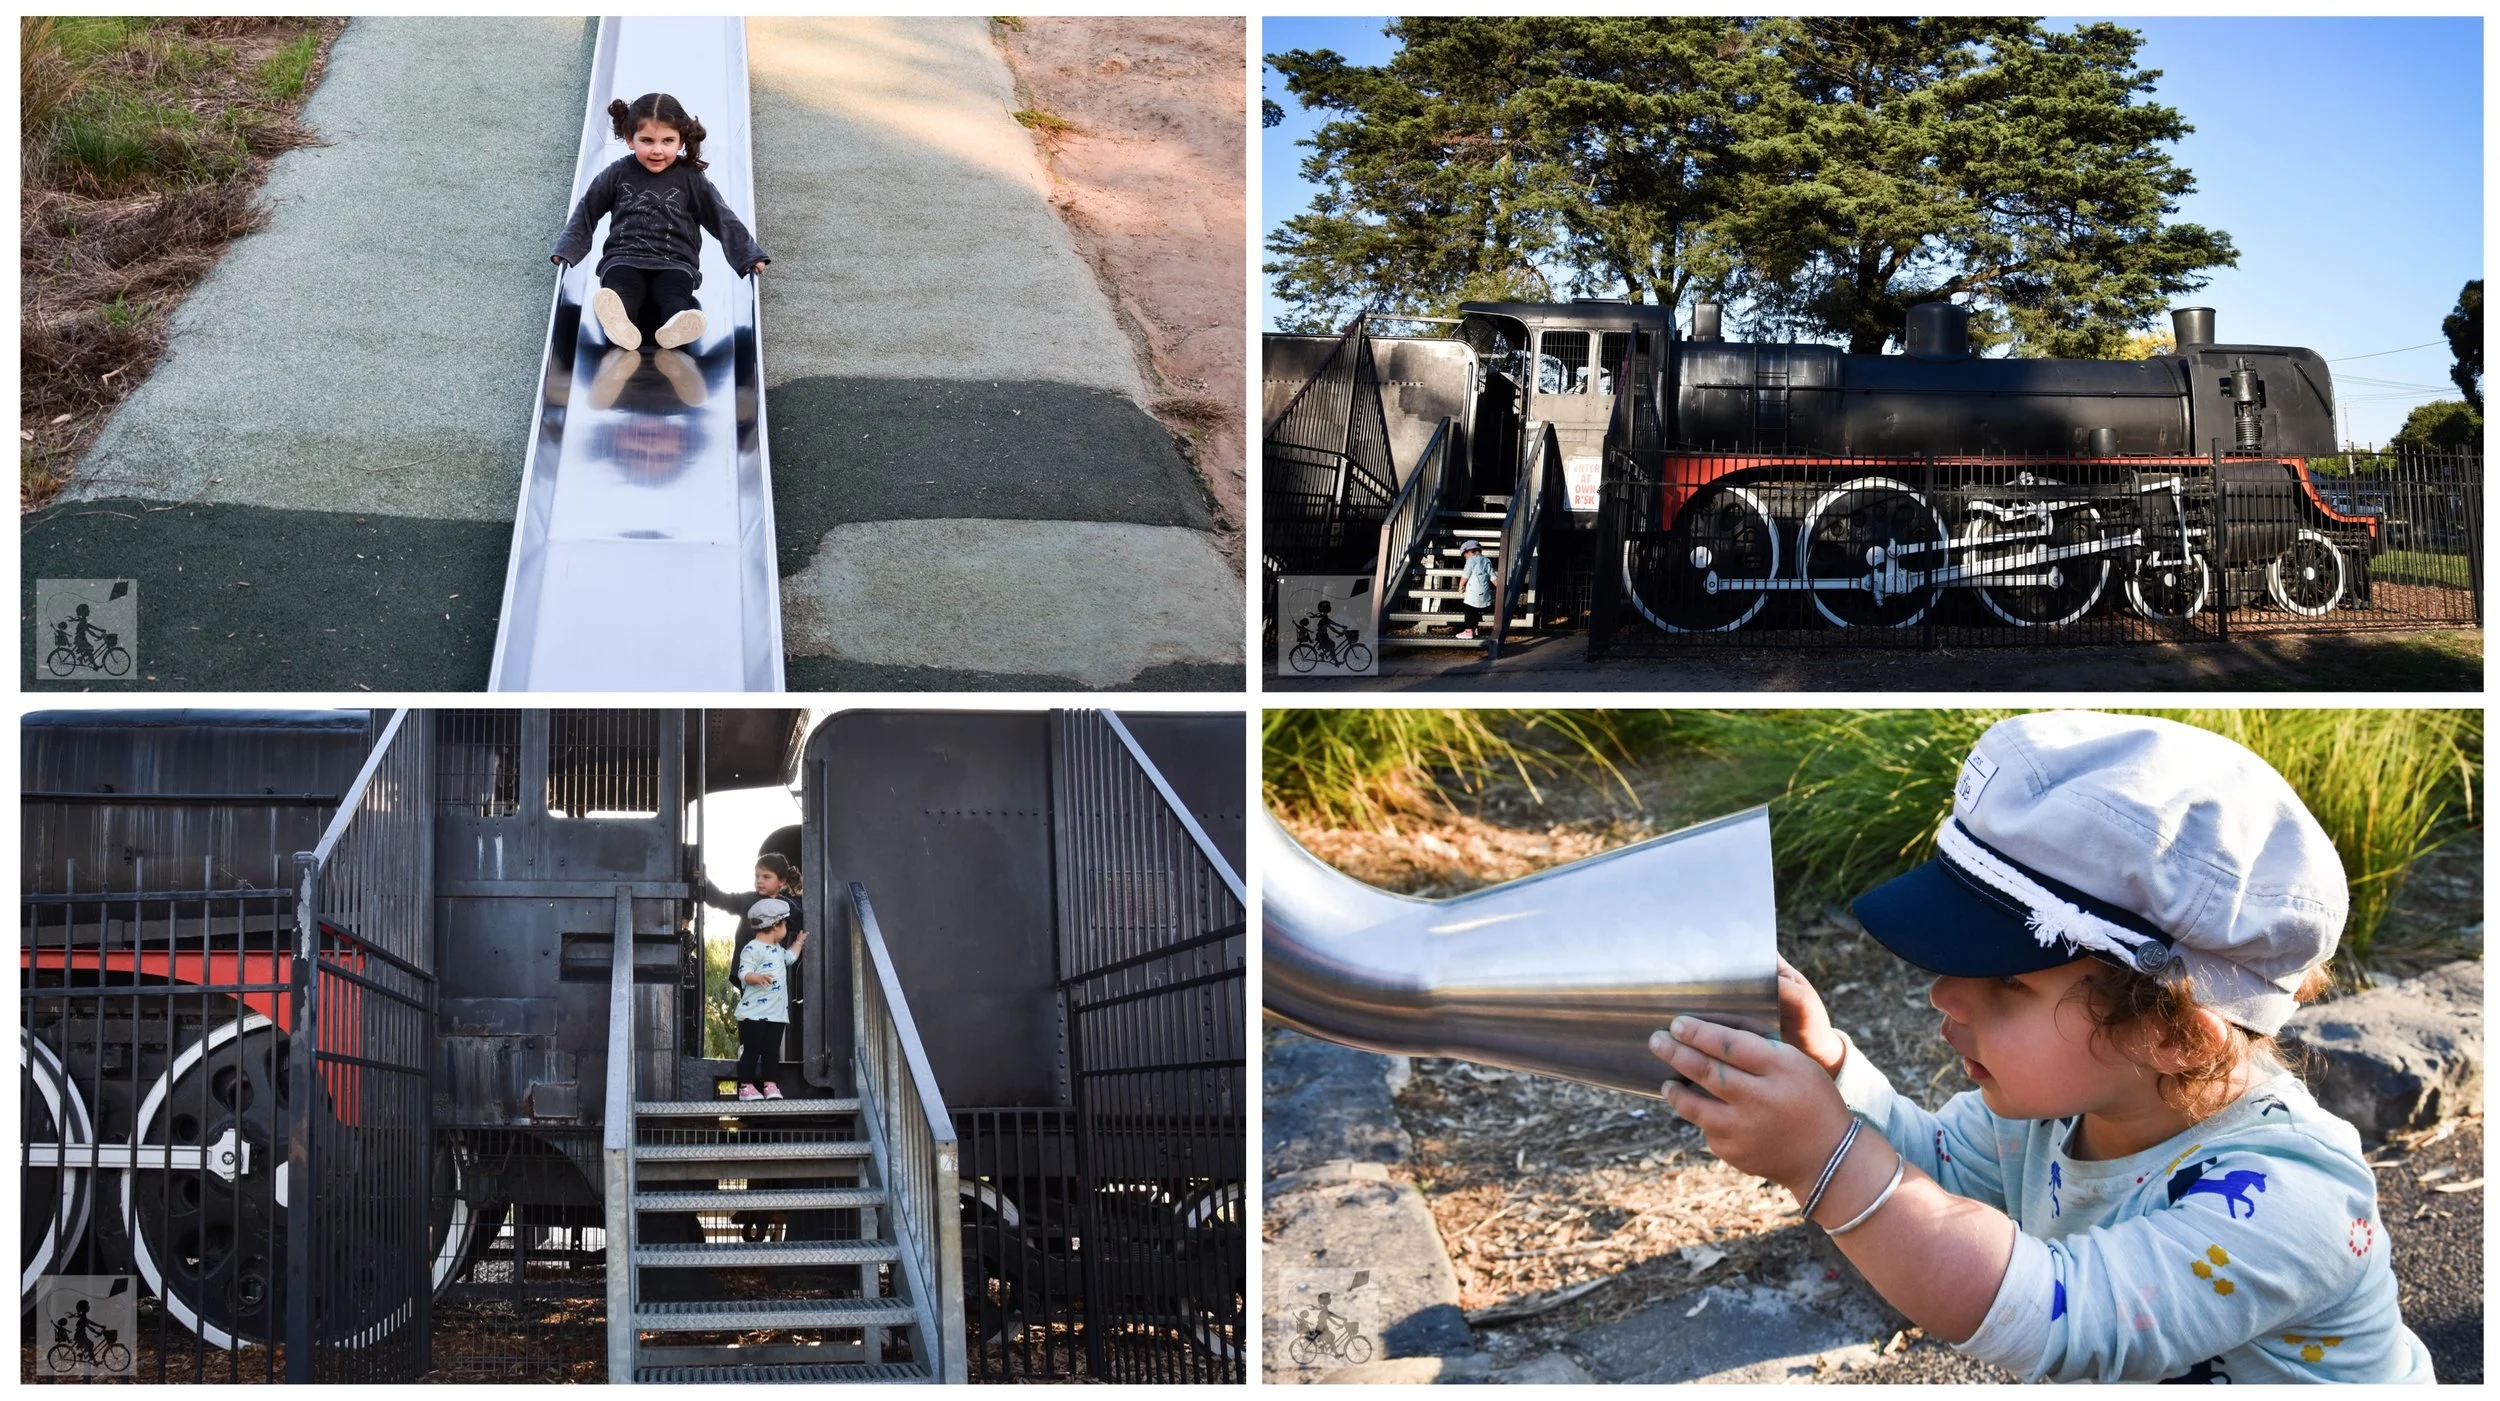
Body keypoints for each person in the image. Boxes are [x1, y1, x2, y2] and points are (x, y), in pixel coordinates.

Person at [1649, 711, 2431, 1383]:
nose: (1945, 993)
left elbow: (2051, 1312)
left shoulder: (2289, 1199)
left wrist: (1826, 1161)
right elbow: (1935, 1170)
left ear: (2173, 1032)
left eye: (2008, 981)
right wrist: (1828, 1066)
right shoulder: (2045, 1113)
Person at [551, 91, 769, 353]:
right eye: (647, 140)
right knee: (623, 289)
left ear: (681, 141)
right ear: (630, 140)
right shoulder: (617, 173)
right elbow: (588, 210)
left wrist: (748, 255)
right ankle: (620, 324)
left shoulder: (691, 178)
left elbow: (721, 217)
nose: (657, 150)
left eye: (668, 141)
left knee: (673, 293)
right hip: (624, 258)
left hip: (675, 262)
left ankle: (676, 325)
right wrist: (567, 249)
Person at [733, 896, 806, 1100]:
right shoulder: (752, 948)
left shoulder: (778, 950)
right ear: (775, 926)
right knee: (752, 1049)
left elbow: (790, 958)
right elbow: (743, 972)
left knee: (771, 1051)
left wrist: (799, 942)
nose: (787, 930)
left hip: (776, 1014)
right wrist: (756, 977)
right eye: (786, 925)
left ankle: (770, 1085)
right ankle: (746, 1087)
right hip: (753, 1014)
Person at [1452, 539, 1496, 640]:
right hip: (1485, 592)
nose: (1465, 558)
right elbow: (1493, 577)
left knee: (1469, 610)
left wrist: (1461, 585)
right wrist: (1500, 587)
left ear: (1468, 552)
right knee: (1475, 611)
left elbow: (1465, 575)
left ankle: (1468, 631)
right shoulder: (1487, 560)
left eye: (1465, 556)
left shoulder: (1470, 561)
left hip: (1473, 592)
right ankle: (1474, 628)